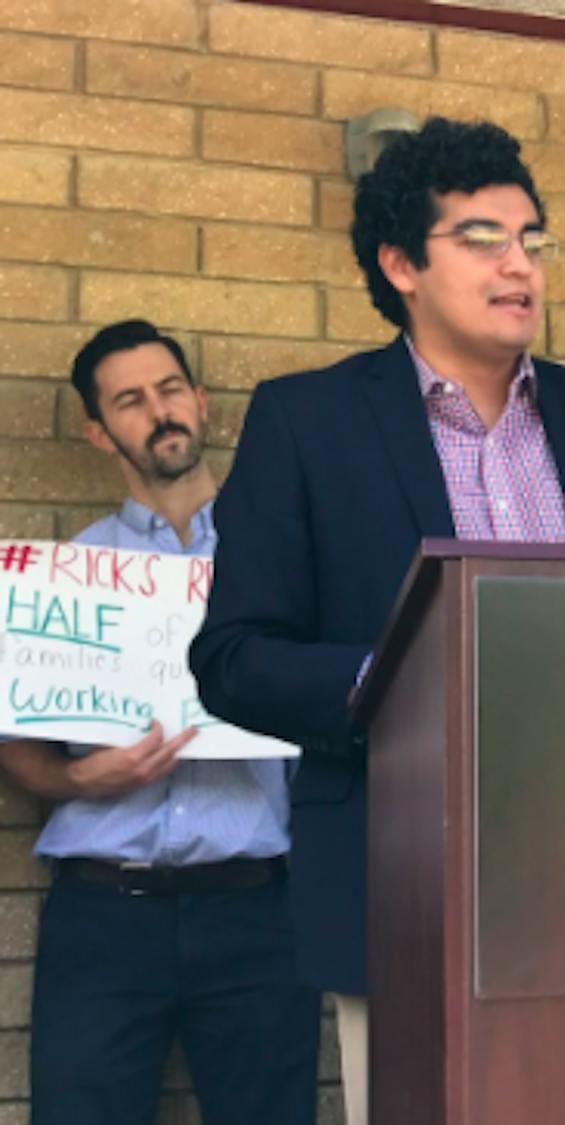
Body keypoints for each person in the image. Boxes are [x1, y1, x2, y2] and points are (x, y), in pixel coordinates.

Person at [189, 116, 565, 1125]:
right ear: (400, 264)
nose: (520, 266)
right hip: (404, 887)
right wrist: (409, 676)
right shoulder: (308, 421)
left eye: (534, 241)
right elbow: (235, 657)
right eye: (481, 238)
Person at [0, 320, 319, 1125]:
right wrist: (77, 778)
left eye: (171, 389)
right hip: (103, 913)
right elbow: (19, 746)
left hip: (257, 909)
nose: (160, 410)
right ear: (99, 431)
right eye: (131, 401)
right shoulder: (64, 577)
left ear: (203, 403)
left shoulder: (288, 563)